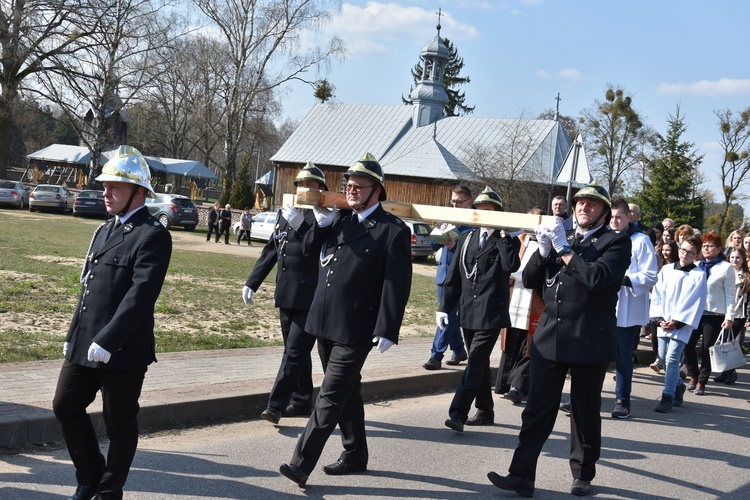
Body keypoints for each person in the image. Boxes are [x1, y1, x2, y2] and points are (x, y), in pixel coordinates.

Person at [487, 180, 631, 498]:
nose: (583, 207)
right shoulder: (561, 237)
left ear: (605, 213)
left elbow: (597, 278)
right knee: (537, 409)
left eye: (592, 204)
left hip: (590, 340)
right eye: (580, 202)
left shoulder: (616, 243)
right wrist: (542, 251)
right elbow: (529, 280)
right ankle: (521, 474)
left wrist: (564, 250)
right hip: (550, 337)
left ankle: (583, 474)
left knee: (584, 412)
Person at [278, 152, 411, 487]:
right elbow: (309, 251)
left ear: (376, 191)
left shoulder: (391, 230)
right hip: (323, 319)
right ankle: (355, 453)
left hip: (357, 326)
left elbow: (397, 283)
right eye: (348, 185)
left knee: (330, 394)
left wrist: (388, 327)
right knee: (347, 392)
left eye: (359, 186)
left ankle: (300, 464)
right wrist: (320, 225)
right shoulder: (338, 219)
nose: (351, 191)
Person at [53, 146, 172, 500]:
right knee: (65, 405)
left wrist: (108, 339)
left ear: (139, 193)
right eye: (105, 186)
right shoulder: (105, 229)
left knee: (119, 421)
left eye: (115, 187)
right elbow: (87, 286)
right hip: (85, 340)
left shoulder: (152, 234)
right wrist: (73, 333)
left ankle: (108, 490)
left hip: (122, 347)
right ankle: (90, 473)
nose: (106, 192)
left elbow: (140, 296)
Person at [244, 163, 327, 424]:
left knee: (293, 352)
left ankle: (275, 406)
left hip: (311, 296)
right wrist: (252, 282)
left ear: (320, 190)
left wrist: (302, 224)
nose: (304, 190)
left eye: (310, 186)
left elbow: (313, 249)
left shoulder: (324, 217)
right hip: (287, 292)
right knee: (294, 351)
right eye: (301, 185)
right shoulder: (286, 212)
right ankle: (302, 400)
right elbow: (272, 249)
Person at [440, 186, 521, 432]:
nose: (484, 215)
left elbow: (511, 266)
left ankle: (458, 413)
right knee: (480, 364)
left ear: (498, 213)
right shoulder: (466, 239)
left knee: (474, 360)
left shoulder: (506, 240)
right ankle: (485, 410)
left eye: (490, 211)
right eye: (480, 211)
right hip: (468, 311)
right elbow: (454, 277)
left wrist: (506, 236)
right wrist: (444, 308)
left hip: (491, 313)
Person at [609, 199, 658, 419]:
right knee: (593, 355)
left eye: (618, 217)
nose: (614, 221)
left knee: (623, 356)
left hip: (626, 309)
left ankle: (622, 401)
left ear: (628, 217)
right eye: (610, 217)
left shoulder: (640, 241)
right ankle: (583, 399)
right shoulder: (603, 238)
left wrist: (623, 279)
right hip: (603, 306)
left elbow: (650, 275)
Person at [650, 235, 707, 412]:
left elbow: (695, 302)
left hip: (681, 324)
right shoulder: (666, 270)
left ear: (696, 255)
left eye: (690, 252)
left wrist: (677, 322)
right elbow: (657, 294)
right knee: (663, 355)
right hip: (663, 321)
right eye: (683, 250)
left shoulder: (698, 275)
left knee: (673, 358)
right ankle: (678, 386)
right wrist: (660, 319)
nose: (684, 254)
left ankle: (667, 396)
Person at [495, 207, 545, 405]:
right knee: (511, 341)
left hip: (535, 298)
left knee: (529, 345)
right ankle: (504, 382)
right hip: (515, 295)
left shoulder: (545, 244)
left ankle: (518, 386)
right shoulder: (519, 240)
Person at [422, 185, 471, 371]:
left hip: (459, 276)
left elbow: (469, 250)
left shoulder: (472, 223)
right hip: (443, 274)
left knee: (448, 315)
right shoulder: (447, 219)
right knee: (448, 316)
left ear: (468, 202)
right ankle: (459, 350)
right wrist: (439, 233)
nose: (455, 205)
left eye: (459, 202)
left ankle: (436, 355)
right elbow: (432, 247)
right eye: (453, 201)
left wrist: (453, 246)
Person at [684, 231, 735, 395]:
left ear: (719, 248)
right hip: (695, 312)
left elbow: (730, 294)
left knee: (707, 348)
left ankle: (702, 381)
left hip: (714, 314)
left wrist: (729, 317)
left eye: (710, 245)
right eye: (704, 245)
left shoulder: (726, 267)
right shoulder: (697, 265)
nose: (706, 248)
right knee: (688, 344)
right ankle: (693, 374)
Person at [713, 247, 750, 384]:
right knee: (722, 342)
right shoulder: (724, 273)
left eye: (738, 257)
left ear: (743, 260)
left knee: (729, 343)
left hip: (738, 315)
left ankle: (731, 372)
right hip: (722, 312)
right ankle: (726, 371)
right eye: (732, 257)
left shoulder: (746, 277)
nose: (735, 260)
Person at [649, 240, 680, 372]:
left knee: (671, 356)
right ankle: (659, 360)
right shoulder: (661, 265)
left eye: (668, 250)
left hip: (675, 315)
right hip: (659, 311)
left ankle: (672, 385)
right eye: (663, 250)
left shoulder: (678, 268)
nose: (665, 252)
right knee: (660, 348)